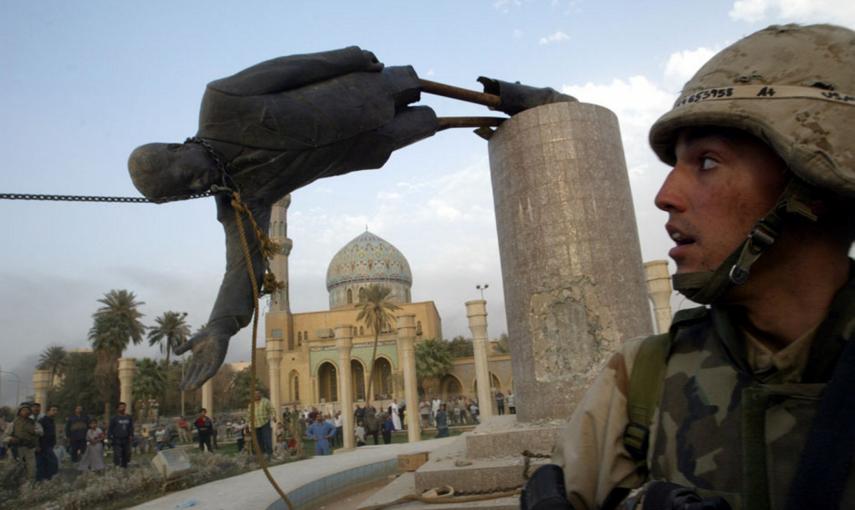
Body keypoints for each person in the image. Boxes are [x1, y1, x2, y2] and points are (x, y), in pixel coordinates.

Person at [545, 23, 855, 510]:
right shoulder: (641, 378)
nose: (665, 197)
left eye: (707, 162)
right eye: (675, 164)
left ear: (812, 185)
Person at [9, 404, 38, 481]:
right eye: (24, 410)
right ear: (19, 412)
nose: (26, 412)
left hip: (29, 448)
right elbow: (5, 436)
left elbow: (40, 433)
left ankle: (30, 485)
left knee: (32, 468)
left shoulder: (33, 422)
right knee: (18, 467)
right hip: (18, 448)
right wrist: (11, 439)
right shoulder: (14, 423)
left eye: (28, 410)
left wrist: (35, 431)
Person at [247, 390, 274, 457]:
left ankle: (269, 453)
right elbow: (249, 415)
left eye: (258, 394)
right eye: (255, 395)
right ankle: (262, 454)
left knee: (267, 438)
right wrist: (249, 425)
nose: (256, 396)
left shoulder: (265, 401)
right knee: (258, 440)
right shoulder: (251, 404)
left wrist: (273, 416)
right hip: (256, 425)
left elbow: (272, 409)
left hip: (264, 423)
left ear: (260, 395)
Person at [36, 405, 59, 481]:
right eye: (53, 410)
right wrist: (38, 445)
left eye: (56, 410)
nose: (55, 412)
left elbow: (52, 433)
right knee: (53, 462)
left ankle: (46, 479)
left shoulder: (51, 421)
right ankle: (49, 478)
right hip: (43, 446)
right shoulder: (42, 421)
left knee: (46, 463)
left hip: (49, 445)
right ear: (48, 411)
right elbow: (37, 434)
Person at [108, 402, 133, 468]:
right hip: (117, 439)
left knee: (126, 453)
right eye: (121, 407)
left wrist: (131, 435)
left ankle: (124, 466)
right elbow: (110, 428)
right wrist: (110, 437)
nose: (123, 408)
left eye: (124, 407)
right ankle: (116, 465)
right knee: (117, 453)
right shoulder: (114, 418)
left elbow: (131, 427)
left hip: (126, 438)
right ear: (118, 409)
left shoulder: (129, 417)